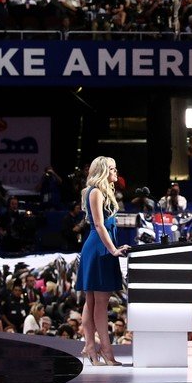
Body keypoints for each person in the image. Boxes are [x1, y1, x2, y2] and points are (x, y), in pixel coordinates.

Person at [77, 156, 129, 366]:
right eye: (112, 169)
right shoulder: (96, 192)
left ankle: (90, 346)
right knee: (99, 303)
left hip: (101, 246)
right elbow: (99, 225)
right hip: (99, 248)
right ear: (102, 171)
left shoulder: (103, 191)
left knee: (92, 303)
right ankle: (106, 352)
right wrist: (113, 249)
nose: (116, 172)